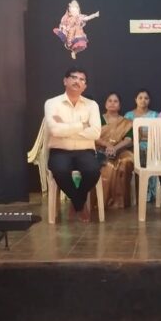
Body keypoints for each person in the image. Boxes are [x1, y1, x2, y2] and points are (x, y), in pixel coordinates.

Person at [44, 67, 101, 222]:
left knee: (93, 171)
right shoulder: (52, 103)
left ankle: (76, 202)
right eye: (74, 77)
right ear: (65, 81)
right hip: (60, 150)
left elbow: (96, 133)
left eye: (82, 79)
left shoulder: (92, 105)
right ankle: (79, 203)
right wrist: (82, 125)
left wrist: (66, 127)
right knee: (60, 171)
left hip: (85, 151)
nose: (77, 81)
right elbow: (55, 130)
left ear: (85, 86)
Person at [95, 92, 134, 209]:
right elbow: (94, 136)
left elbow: (128, 140)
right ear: (105, 104)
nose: (112, 103)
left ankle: (121, 202)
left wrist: (115, 148)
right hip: (100, 150)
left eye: (115, 101)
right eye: (110, 101)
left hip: (121, 150)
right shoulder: (98, 119)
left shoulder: (126, 122)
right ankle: (102, 201)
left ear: (120, 105)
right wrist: (108, 145)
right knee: (107, 166)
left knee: (126, 161)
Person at [125, 89, 159, 202]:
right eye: (140, 98)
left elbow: (158, 135)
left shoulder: (155, 115)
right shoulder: (128, 116)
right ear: (135, 99)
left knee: (150, 153)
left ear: (149, 100)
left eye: (146, 98)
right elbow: (125, 135)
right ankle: (140, 193)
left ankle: (151, 193)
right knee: (139, 152)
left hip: (152, 148)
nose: (143, 100)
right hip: (133, 148)